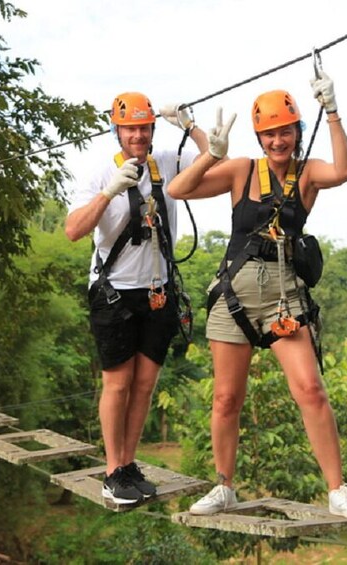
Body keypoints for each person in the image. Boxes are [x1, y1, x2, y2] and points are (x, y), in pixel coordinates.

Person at [167, 71, 347, 519]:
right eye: (269, 134)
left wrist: (332, 111)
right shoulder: (242, 170)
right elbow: (177, 189)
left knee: (311, 390)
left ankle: (337, 489)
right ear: (259, 138)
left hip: (284, 297)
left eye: (285, 132)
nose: (278, 141)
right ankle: (224, 486)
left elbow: (344, 170)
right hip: (235, 295)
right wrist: (211, 155)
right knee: (226, 398)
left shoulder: (308, 173)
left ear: (297, 132)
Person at [65, 92, 210, 505]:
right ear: (117, 130)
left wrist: (190, 126)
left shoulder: (165, 162)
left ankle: (129, 464)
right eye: (130, 129)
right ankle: (112, 470)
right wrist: (109, 192)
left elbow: (213, 159)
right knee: (118, 383)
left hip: (158, 291)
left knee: (144, 385)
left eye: (144, 128)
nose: (138, 136)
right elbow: (73, 230)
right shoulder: (98, 172)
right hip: (114, 292)